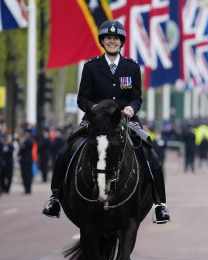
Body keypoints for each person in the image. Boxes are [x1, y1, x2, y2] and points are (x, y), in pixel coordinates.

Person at [42, 20, 170, 223]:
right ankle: (55, 196)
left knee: (150, 153)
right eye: (108, 38)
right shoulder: (91, 67)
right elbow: (81, 98)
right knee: (66, 150)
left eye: (116, 38)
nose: (112, 42)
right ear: (102, 41)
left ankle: (159, 204)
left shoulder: (131, 67)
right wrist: (93, 110)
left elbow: (137, 97)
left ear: (121, 42)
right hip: (95, 120)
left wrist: (131, 108)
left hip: (124, 120)